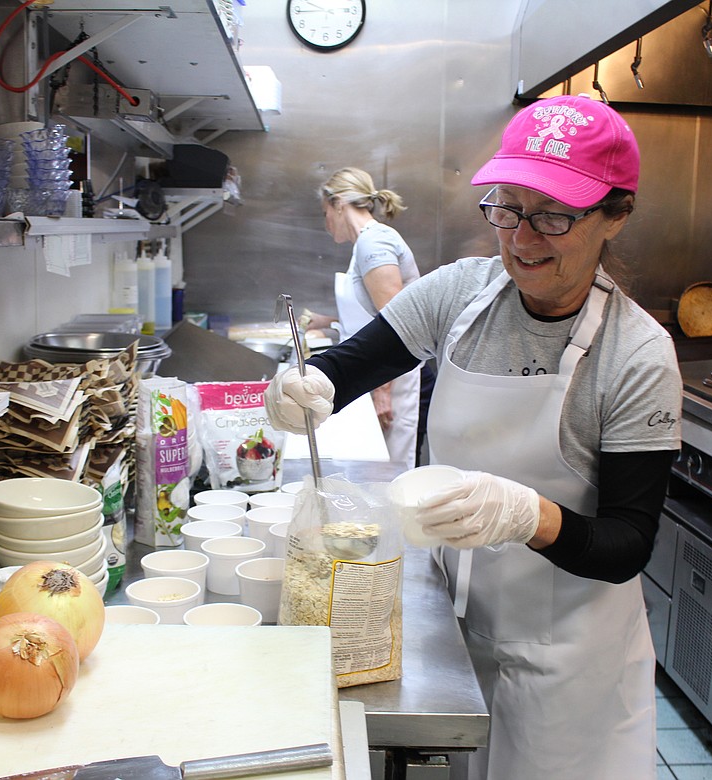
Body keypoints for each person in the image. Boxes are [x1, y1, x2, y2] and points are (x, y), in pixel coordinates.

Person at [264, 94, 682, 779]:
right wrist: (305, 389)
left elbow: (626, 545)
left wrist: (528, 515)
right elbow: (346, 366)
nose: (520, 238)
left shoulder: (635, 356)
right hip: (454, 631)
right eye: (507, 207)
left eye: (553, 215)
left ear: (616, 213)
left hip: (568, 663)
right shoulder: (463, 293)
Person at [308, 167, 425, 469]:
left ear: (338, 203)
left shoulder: (375, 242)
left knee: (387, 474)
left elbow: (396, 325)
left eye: (325, 213)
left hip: (389, 380)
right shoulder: (366, 243)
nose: (326, 223)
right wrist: (329, 322)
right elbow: (372, 315)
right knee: (371, 471)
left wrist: (381, 392)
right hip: (372, 374)